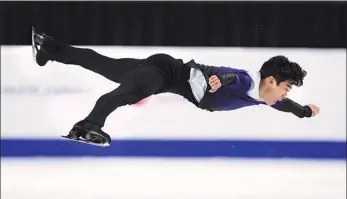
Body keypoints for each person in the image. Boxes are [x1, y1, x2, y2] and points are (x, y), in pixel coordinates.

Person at [31, 28, 320, 146]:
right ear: (270, 81)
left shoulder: (264, 96)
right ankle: (88, 125)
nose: (285, 94)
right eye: (286, 87)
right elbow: (227, 76)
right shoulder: (246, 80)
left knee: (103, 64)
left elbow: (286, 106)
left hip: (164, 72)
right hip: (163, 71)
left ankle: (49, 47)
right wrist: (215, 80)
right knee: (128, 94)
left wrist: (304, 112)